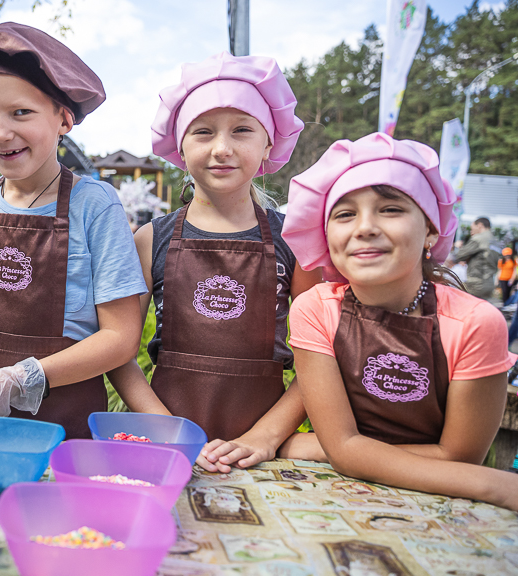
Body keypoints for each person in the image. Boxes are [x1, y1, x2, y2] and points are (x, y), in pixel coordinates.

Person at [0, 22, 147, 438]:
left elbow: (120, 337)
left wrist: (19, 379)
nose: (0, 133)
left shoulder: (95, 206)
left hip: (65, 427)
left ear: (64, 118)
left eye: (20, 112)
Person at [106, 52, 321, 472]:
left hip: (265, 456)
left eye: (242, 130)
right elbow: (117, 352)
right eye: (203, 132)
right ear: (180, 148)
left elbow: (322, 357)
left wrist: (267, 435)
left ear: (268, 145)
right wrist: (167, 430)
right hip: (164, 445)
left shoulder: (294, 242)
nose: (222, 148)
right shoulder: (150, 240)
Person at [281, 133, 518, 511]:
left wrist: (324, 446)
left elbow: (459, 458)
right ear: (326, 237)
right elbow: (342, 450)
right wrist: (494, 484)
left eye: (390, 209)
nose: (365, 227)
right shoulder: (315, 309)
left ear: (430, 229)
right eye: (344, 214)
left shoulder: (475, 323)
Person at [446, 217, 497, 300]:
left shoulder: (479, 238)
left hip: (476, 282)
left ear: (480, 225)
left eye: (472, 228)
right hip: (489, 283)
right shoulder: (494, 240)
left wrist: (457, 246)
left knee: (454, 298)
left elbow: (460, 255)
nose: (472, 232)